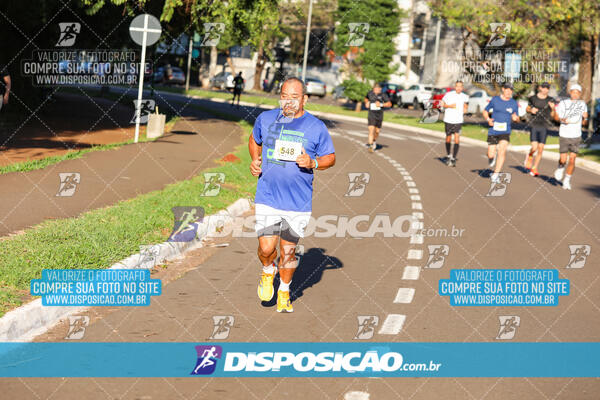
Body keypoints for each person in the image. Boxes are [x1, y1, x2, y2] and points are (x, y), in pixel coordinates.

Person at [249, 77, 336, 312]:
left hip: (297, 202)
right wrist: (255, 160)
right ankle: (268, 271)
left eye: (294, 97)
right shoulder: (266, 119)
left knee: (288, 250)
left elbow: (330, 158)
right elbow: (254, 139)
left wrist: (313, 162)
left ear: (305, 99)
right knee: (267, 248)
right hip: (268, 196)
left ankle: (284, 291)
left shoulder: (316, 127)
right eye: (284, 96)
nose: (288, 101)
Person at [482, 82, 520, 182]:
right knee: (491, 154)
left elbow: (516, 117)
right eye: (507, 89)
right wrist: (488, 120)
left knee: (502, 151)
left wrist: (516, 118)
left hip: (505, 131)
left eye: (511, 90)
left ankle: (496, 174)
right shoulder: (495, 100)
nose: (509, 91)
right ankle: (491, 158)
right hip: (493, 130)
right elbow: (485, 111)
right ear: (503, 89)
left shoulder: (513, 103)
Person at [553, 83, 588, 190]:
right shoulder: (563, 103)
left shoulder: (583, 105)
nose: (575, 94)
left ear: (580, 94)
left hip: (576, 136)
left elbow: (584, 124)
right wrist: (562, 120)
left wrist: (585, 119)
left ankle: (567, 180)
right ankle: (560, 167)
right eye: (574, 92)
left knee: (572, 160)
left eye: (577, 93)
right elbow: (556, 117)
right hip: (564, 134)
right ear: (570, 93)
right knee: (563, 159)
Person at [524, 82, 555, 176]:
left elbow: (553, 116)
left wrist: (553, 109)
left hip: (544, 126)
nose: (545, 89)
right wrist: (531, 110)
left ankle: (534, 168)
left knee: (541, 149)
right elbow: (527, 108)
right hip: (534, 124)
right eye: (544, 87)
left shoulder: (550, 100)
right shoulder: (533, 98)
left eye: (547, 88)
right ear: (540, 88)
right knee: (534, 147)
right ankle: (529, 155)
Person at [441, 80, 469, 167]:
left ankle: (453, 158)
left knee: (457, 138)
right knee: (448, 138)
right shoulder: (449, 95)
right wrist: (449, 106)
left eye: (460, 86)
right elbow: (442, 104)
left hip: (458, 120)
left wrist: (465, 109)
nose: (459, 88)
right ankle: (449, 155)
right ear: (455, 87)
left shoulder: (465, 96)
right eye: (457, 86)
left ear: (462, 87)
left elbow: (466, 106)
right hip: (448, 119)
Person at [364, 83, 392, 153]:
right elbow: (366, 98)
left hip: (379, 115)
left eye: (377, 89)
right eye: (374, 89)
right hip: (371, 114)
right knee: (371, 130)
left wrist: (381, 104)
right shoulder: (370, 93)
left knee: (377, 132)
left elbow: (389, 104)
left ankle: (374, 141)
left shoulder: (383, 95)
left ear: (380, 89)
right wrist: (367, 103)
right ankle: (370, 146)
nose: (375, 91)